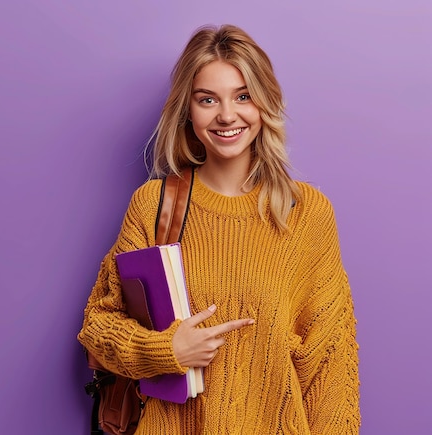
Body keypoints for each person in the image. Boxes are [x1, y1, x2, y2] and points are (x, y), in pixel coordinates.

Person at [78, 24, 360, 434]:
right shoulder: (153, 205)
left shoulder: (306, 212)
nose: (227, 115)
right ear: (188, 111)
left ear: (265, 103)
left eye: (243, 96)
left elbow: (329, 363)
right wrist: (165, 349)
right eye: (207, 99)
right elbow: (98, 327)